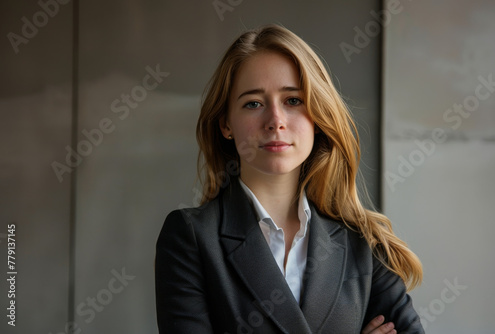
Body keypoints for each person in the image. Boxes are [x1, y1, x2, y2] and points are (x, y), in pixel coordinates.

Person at [155, 24, 424, 334]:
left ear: (318, 117)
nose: (275, 121)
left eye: (293, 101)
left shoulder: (363, 242)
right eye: (253, 103)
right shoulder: (191, 238)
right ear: (226, 124)